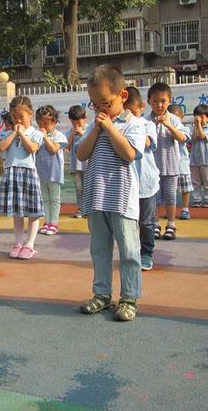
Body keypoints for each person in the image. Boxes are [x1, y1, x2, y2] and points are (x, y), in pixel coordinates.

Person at [76, 65, 145, 321]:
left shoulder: (134, 124)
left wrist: (110, 128)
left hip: (122, 200)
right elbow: (81, 154)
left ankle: (129, 298)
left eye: (105, 103)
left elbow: (129, 154)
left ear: (122, 96)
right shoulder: (94, 126)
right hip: (97, 197)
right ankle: (102, 294)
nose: (99, 109)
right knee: (99, 250)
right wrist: (96, 129)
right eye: (94, 104)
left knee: (129, 252)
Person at [0, 96, 44, 259]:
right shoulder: (6, 133)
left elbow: (32, 148)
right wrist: (14, 133)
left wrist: (22, 134)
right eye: (14, 117)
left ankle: (29, 244)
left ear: (30, 114)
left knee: (33, 212)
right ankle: (18, 243)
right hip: (12, 172)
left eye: (21, 116)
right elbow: (1, 147)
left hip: (28, 173)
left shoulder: (36, 133)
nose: (18, 120)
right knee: (17, 212)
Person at [125, 86, 159, 271]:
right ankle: (131, 252)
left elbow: (147, 143)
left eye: (133, 111)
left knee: (146, 222)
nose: (129, 115)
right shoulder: (119, 126)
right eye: (126, 112)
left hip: (146, 182)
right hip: (127, 183)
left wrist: (133, 125)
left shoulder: (147, 124)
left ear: (142, 107)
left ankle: (146, 253)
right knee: (128, 222)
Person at [147, 82, 186, 240]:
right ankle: (155, 224)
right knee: (154, 198)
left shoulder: (174, 120)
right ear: (149, 102)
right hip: (152, 168)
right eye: (155, 101)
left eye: (163, 101)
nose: (159, 105)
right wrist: (153, 125)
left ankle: (171, 224)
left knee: (170, 197)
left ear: (169, 101)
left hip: (170, 166)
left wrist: (168, 125)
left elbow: (182, 138)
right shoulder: (146, 120)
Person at [35, 105, 68, 235]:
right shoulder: (37, 135)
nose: (43, 126)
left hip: (54, 173)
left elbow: (53, 149)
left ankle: (54, 223)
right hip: (41, 173)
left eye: (46, 123)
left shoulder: (58, 135)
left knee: (54, 199)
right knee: (45, 199)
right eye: (40, 123)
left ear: (54, 122)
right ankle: (47, 222)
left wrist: (45, 137)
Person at [168, 104, 193, 219]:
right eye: (171, 117)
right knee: (170, 190)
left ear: (182, 116)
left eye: (176, 117)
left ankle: (185, 209)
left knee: (185, 189)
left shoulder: (184, 129)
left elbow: (183, 138)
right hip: (170, 165)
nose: (174, 120)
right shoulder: (165, 129)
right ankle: (170, 210)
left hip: (182, 164)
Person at [64, 105, 88, 218]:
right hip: (76, 166)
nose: (76, 124)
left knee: (89, 187)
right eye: (73, 122)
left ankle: (89, 209)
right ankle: (80, 208)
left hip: (88, 165)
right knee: (79, 188)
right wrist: (72, 136)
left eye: (78, 121)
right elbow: (66, 148)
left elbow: (92, 141)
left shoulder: (89, 129)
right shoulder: (69, 132)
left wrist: (82, 133)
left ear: (85, 118)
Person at [190, 104, 208, 208]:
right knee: (195, 181)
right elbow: (193, 138)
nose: (199, 119)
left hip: (205, 160)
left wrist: (199, 125)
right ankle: (197, 199)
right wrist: (196, 125)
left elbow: (202, 136)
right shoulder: (194, 127)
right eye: (197, 117)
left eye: (202, 117)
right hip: (194, 159)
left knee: (207, 181)